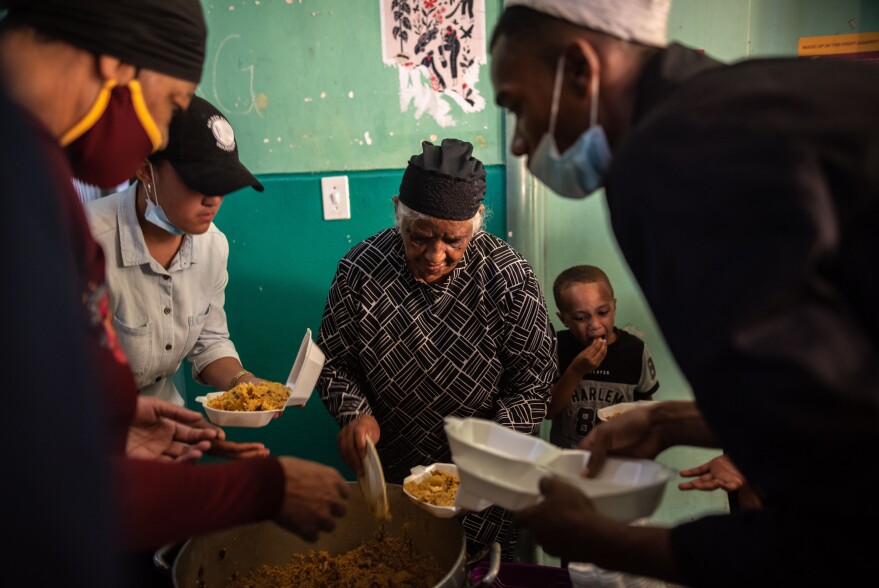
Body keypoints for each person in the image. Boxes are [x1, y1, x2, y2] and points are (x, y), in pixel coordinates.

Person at [490, 0, 879, 586]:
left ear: (579, 69)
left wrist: (602, 539)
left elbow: (839, 528)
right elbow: (845, 400)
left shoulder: (670, 159)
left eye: (517, 106)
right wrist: (675, 421)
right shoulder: (738, 96)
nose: (519, 143)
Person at [0, 2, 348, 586]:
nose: (157, 132)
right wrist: (264, 489)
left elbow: (202, 343)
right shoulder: (46, 202)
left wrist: (116, 422)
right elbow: (50, 482)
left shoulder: (39, 171)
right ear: (118, 63)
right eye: (170, 105)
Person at [317, 138, 558, 560]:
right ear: (398, 212)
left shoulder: (508, 277)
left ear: (476, 223)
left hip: (486, 476)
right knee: (400, 562)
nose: (435, 255)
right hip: (395, 470)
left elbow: (536, 383)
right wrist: (355, 415)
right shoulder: (360, 269)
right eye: (419, 236)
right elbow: (332, 362)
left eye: (454, 241)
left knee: (481, 566)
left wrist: (489, 445)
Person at [86, 95, 271, 428]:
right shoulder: (85, 242)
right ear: (145, 168)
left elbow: (210, 341)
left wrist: (244, 383)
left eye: (223, 185)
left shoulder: (212, 247)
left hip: (163, 420)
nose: (213, 200)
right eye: (199, 182)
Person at [548, 264, 658, 448]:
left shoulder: (635, 351)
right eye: (581, 317)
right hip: (569, 457)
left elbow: (646, 406)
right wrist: (576, 370)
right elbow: (549, 411)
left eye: (602, 313)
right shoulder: (555, 346)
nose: (595, 325)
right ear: (564, 319)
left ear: (614, 307)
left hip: (621, 457)